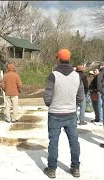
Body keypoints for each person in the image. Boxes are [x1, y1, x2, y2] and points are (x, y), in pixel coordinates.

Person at [43, 49, 84, 178]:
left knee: (53, 142)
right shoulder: (77, 75)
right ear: (69, 59)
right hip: (71, 113)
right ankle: (75, 168)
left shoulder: (53, 75)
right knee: (74, 142)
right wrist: (73, 104)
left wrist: (52, 104)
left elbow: (47, 97)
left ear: (59, 59)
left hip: (55, 114)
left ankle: (52, 170)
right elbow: (80, 96)